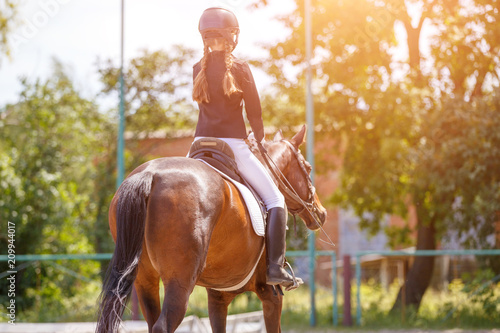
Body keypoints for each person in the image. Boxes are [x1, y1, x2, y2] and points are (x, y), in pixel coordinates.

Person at [192, 7, 300, 289]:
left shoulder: (196, 69)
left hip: (198, 146)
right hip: (233, 146)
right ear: (232, 36)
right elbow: (255, 113)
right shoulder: (240, 68)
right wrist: (258, 138)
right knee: (276, 201)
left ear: (205, 37)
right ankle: (275, 268)